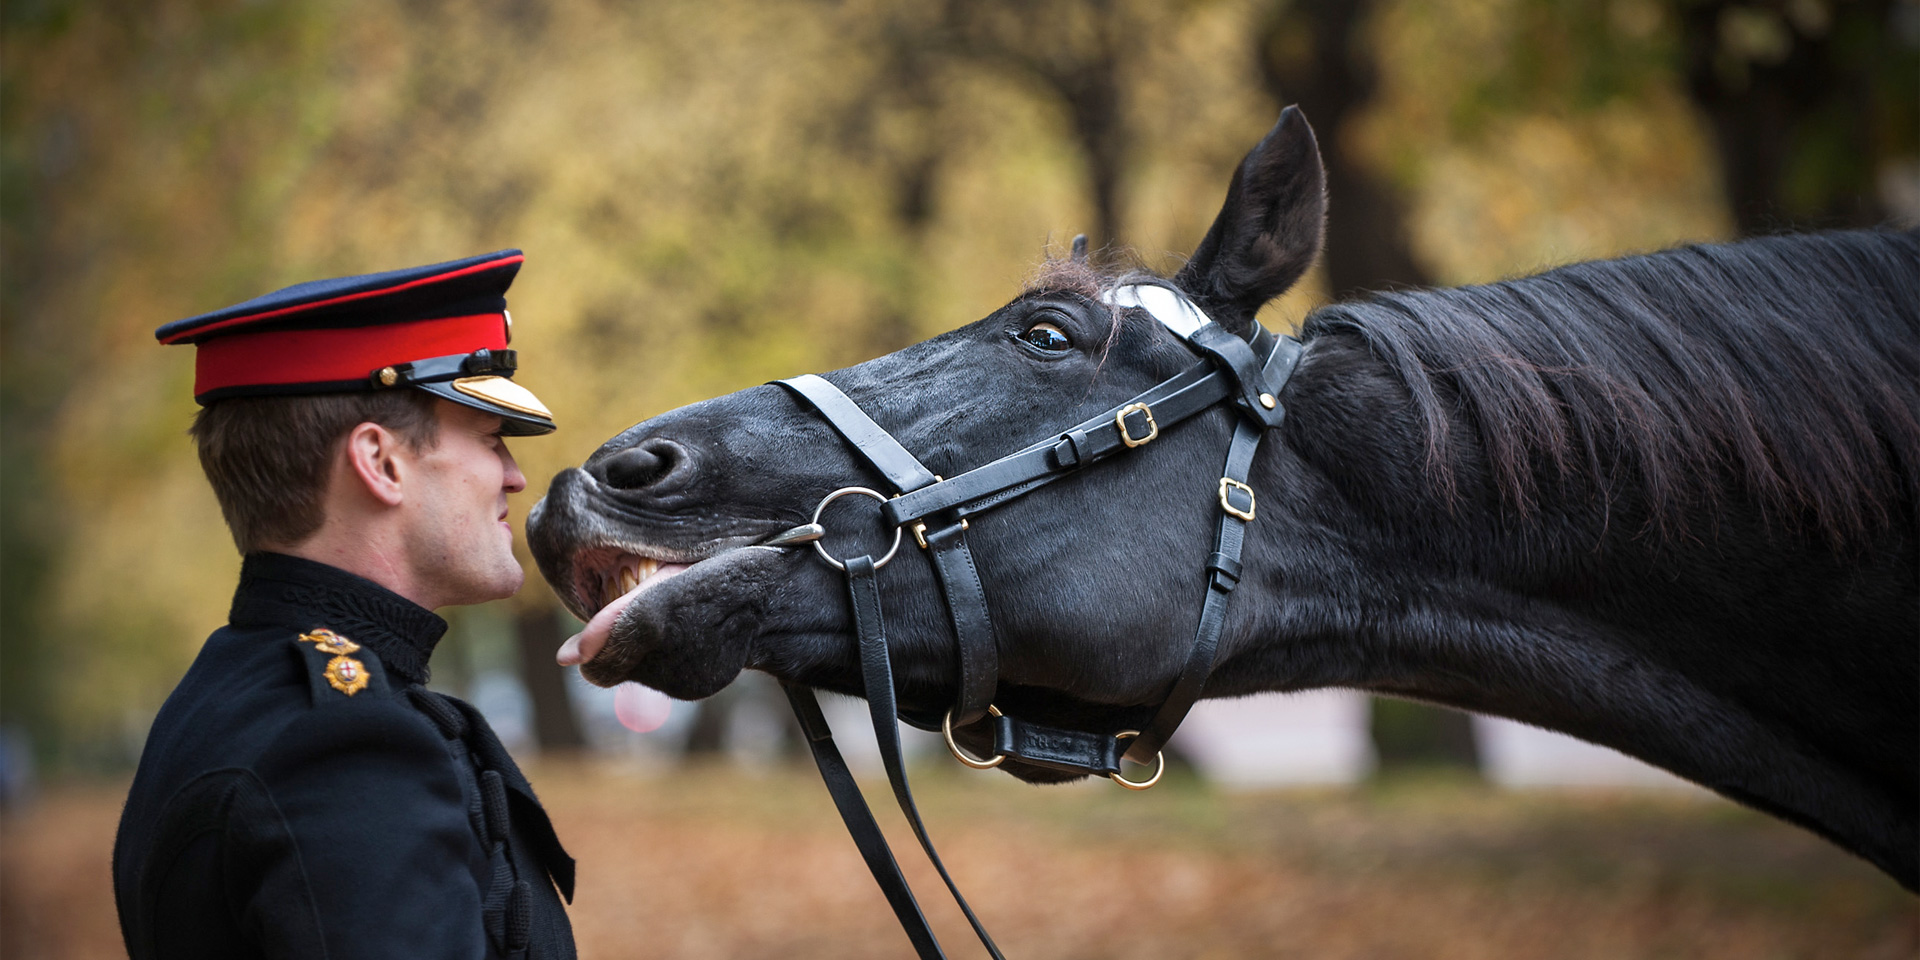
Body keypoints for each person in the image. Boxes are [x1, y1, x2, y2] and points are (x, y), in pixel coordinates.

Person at [113, 250, 577, 959]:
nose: (514, 476)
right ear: (380, 462)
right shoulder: (343, 754)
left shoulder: (233, 693)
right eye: (489, 441)